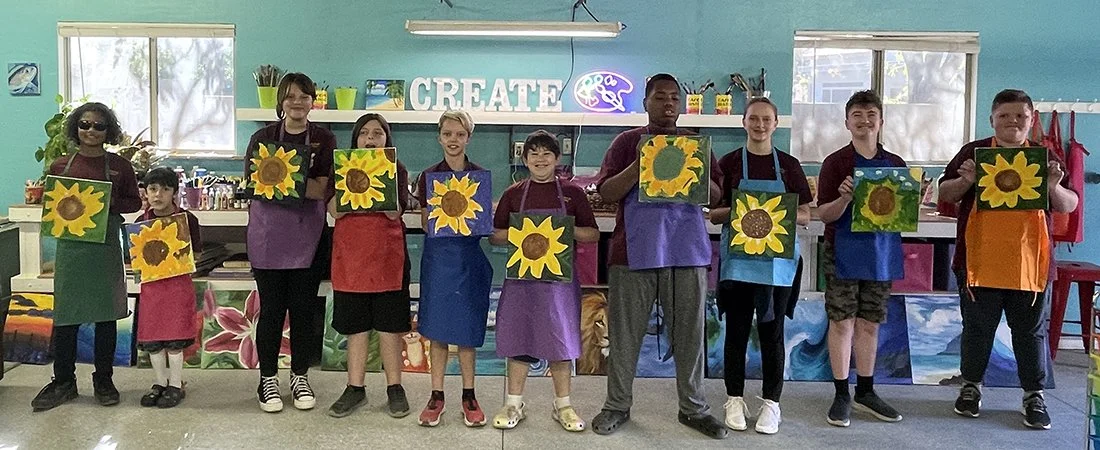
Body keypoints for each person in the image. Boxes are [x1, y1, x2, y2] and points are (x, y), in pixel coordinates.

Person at [590, 73, 728, 439]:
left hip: (686, 251)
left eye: (674, 98)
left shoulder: (695, 143)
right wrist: (642, 162)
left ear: (681, 105)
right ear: (646, 102)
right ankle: (617, 405)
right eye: (660, 97)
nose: (668, 103)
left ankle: (694, 408)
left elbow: (716, 195)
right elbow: (607, 191)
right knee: (624, 337)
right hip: (633, 252)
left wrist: (694, 168)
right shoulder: (626, 142)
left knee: (690, 336)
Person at [939, 88, 1078, 430]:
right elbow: (945, 193)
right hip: (978, 261)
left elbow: (1069, 204)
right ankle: (971, 388)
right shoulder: (974, 152)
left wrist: (1053, 186)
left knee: (1030, 334)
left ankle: (1034, 395)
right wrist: (966, 180)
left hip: (1030, 263)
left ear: (1031, 120)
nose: (1012, 121)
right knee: (977, 330)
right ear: (992, 120)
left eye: (1020, 116)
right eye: (1004, 115)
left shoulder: (1045, 156)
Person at [709, 97, 812, 434]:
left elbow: (806, 214)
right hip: (739, 264)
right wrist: (744, 211)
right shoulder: (728, 164)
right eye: (754, 118)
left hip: (777, 267)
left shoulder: (790, 166)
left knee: (772, 333)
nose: (760, 125)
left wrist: (773, 211)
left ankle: (771, 403)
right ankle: (734, 398)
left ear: (776, 124)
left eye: (766, 119)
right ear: (744, 122)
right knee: (736, 332)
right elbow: (713, 214)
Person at [31, 102, 142, 411]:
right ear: (75, 128)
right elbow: (51, 204)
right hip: (71, 251)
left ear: (109, 131)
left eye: (99, 126)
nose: (91, 130)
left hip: (105, 250)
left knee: (106, 317)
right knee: (66, 318)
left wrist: (107, 202)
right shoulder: (60, 166)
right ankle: (63, 381)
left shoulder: (120, 166)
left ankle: (103, 380)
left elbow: (134, 203)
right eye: (85, 124)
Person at [489, 130, 600, 432]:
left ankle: (563, 405)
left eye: (546, 153)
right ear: (524, 159)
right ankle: (513, 403)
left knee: (560, 340)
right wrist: (525, 232)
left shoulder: (573, 194)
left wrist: (563, 228)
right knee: (519, 337)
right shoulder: (513, 194)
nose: (540, 159)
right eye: (534, 153)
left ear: (557, 158)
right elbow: (495, 236)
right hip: (521, 282)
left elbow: (592, 234)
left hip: (559, 285)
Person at [244, 72, 336, 413]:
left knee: (302, 310)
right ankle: (267, 379)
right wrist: (300, 184)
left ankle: (300, 377)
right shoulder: (262, 138)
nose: (297, 102)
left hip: (308, 237)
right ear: (280, 101)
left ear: (313, 102)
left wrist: (281, 179)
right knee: (270, 311)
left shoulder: (324, 139)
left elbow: (323, 189)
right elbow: (253, 184)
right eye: (291, 96)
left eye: (304, 96)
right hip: (268, 236)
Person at [816, 90, 906, 427]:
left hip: (880, 252)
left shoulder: (896, 165)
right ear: (846, 122)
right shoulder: (834, 163)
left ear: (881, 121)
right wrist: (843, 199)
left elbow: (903, 215)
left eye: (871, 115)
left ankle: (866, 391)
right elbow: (824, 215)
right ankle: (841, 393)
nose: (864, 121)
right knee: (842, 322)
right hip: (842, 251)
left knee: (870, 323)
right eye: (857, 115)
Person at [325, 113, 412, 419]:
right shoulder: (340, 167)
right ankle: (355, 388)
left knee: (390, 327)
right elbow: (334, 211)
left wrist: (380, 177)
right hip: (351, 258)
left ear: (387, 139)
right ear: (356, 139)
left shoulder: (397, 168)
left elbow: (395, 213)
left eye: (378, 133)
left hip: (388, 257)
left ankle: (395, 387)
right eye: (364, 133)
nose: (371, 139)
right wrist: (350, 180)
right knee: (356, 328)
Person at [413, 110, 493, 427]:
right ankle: (437, 395)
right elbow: (425, 222)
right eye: (447, 134)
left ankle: (469, 395)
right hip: (438, 262)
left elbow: (484, 224)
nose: (453, 140)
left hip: (469, 261)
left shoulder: (480, 177)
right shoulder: (429, 177)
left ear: (468, 138)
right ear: (439, 138)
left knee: (467, 331)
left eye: (459, 134)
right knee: (437, 330)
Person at [134, 167, 203, 409]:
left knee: (175, 338)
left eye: (165, 189)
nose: (158, 194)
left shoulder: (188, 220)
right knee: (153, 338)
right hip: (151, 289)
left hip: (177, 287)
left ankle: (175, 384)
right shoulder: (140, 223)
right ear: (145, 192)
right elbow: (135, 257)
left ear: (174, 192)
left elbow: (196, 254)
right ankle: (160, 382)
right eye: (153, 189)